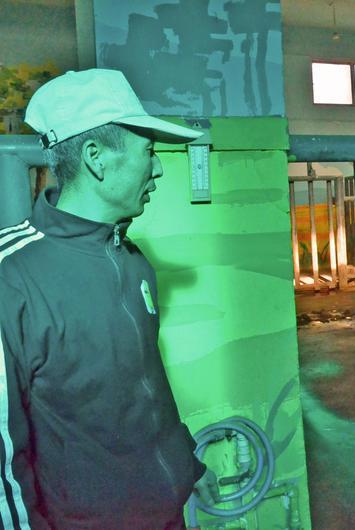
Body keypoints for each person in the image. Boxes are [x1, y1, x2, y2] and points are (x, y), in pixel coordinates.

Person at [0, 69, 219, 529]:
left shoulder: (133, 260)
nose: (158, 168)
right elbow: (4, 465)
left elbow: (147, 383)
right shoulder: (10, 279)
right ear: (96, 159)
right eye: (149, 152)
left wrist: (185, 465)